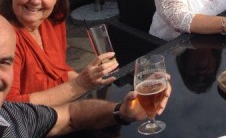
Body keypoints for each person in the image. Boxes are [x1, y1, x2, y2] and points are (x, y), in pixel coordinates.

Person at [0, 14, 171, 137]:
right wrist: (80, 84)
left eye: (4, 62)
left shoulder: (12, 116)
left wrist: (122, 112)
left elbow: (71, 115)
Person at [0, 0, 118, 105]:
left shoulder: (53, 21)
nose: (36, 0)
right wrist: (79, 85)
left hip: (61, 106)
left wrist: (91, 80)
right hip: (32, 118)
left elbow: (60, 71)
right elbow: (9, 106)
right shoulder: (4, 38)